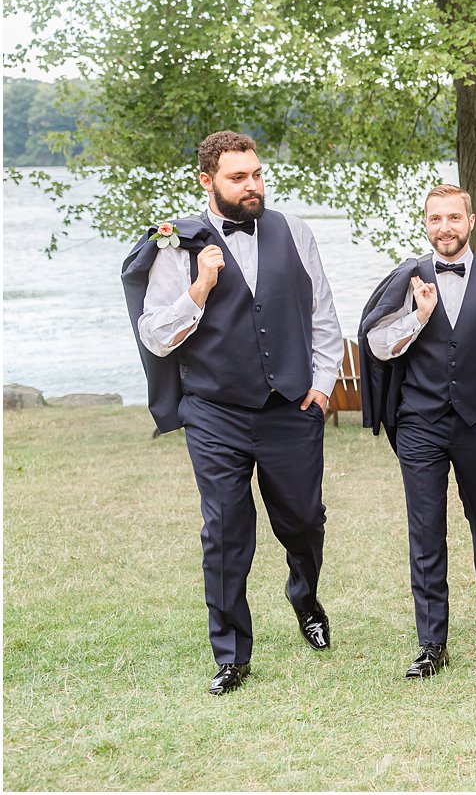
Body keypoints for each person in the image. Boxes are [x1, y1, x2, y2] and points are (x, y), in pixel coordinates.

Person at [122, 131, 342, 696]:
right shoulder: (176, 245)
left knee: (302, 521)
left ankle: (305, 597)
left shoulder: (293, 230)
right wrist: (199, 288)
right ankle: (232, 654)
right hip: (215, 411)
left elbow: (321, 313)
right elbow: (155, 336)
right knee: (224, 531)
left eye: (257, 175)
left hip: (289, 407)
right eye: (238, 177)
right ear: (207, 181)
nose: (252, 186)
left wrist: (321, 386)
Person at [358, 184, 476, 680]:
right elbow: (377, 346)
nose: (445, 228)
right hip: (420, 423)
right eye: (436, 219)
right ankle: (432, 642)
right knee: (426, 530)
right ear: (426, 224)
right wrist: (418, 317)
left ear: (471, 220)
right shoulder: (406, 279)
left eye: (454, 218)